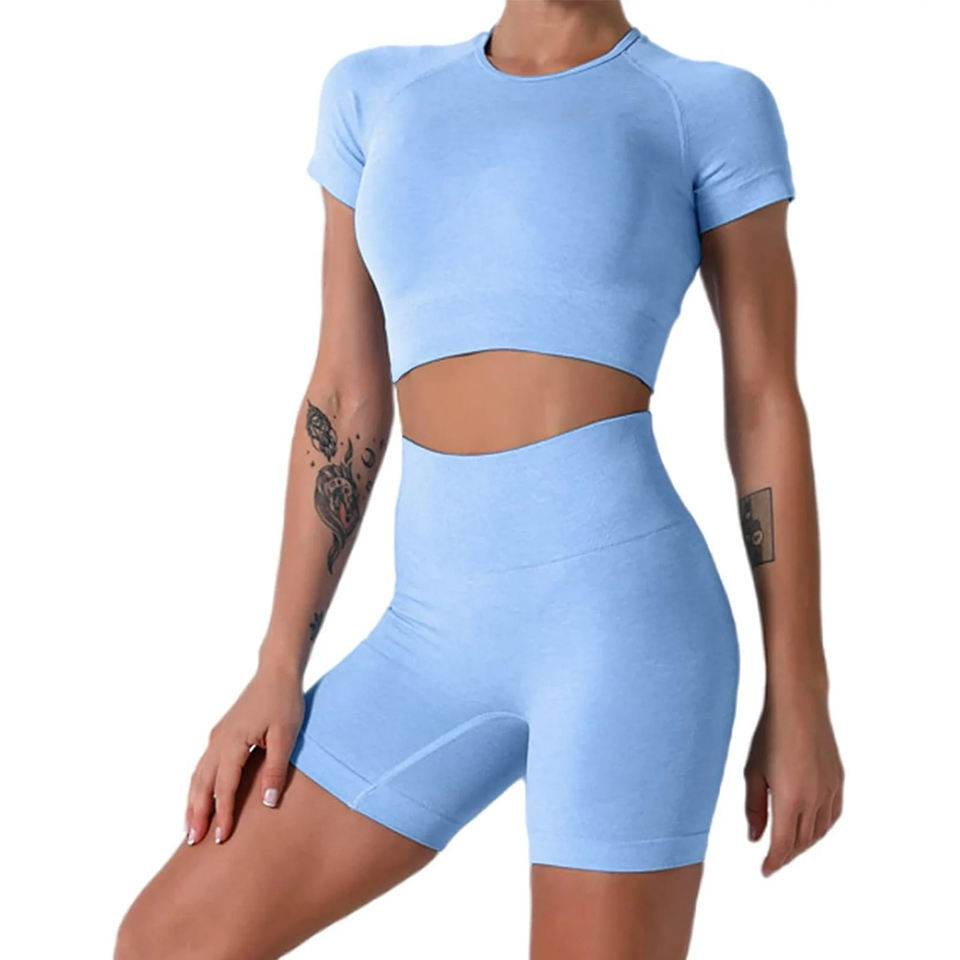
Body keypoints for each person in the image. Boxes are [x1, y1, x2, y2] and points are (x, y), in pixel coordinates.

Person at [115, 3, 844, 957]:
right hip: (428, 636)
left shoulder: (704, 103)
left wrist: (801, 690)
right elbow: (343, 392)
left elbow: (763, 401)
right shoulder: (375, 93)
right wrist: (277, 665)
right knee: (166, 941)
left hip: (623, 627)